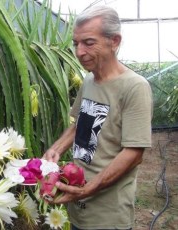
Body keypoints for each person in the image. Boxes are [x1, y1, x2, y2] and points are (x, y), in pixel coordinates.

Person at [43, 5, 153, 230]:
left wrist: (88, 189)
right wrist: (56, 149)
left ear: (114, 41)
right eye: (76, 43)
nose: (79, 51)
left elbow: (134, 153)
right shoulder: (89, 81)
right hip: (79, 203)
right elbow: (78, 125)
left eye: (88, 43)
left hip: (108, 214)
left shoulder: (134, 87)